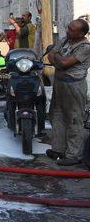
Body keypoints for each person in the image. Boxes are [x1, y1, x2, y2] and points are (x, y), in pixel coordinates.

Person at [46, 18, 90, 166]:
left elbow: (63, 63)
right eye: (68, 27)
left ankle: (73, 155)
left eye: (72, 30)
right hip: (59, 83)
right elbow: (51, 55)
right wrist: (57, 57)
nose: (67, 31)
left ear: (81, 33)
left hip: (74, 86)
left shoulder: (85, 47)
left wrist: (56, 57)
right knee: (56, 114)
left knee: (74, 119)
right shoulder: (66, 40)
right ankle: (58, 149)